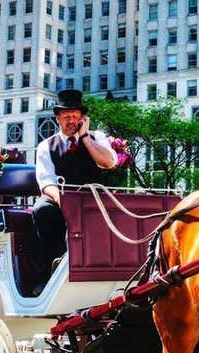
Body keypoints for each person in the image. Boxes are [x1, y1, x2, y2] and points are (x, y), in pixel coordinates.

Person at [34, 89, 117, 280]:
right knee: (41, 210)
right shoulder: (46, 146)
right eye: (66, 116)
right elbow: (46, 182)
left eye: (75, 116)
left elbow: (110, 162)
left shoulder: (97, 137)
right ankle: (46, 274)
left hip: (93, 197)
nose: (71, 121)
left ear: (82, 118)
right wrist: (63, 201)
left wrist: (86, 137)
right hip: (60, 198)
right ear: (57, 119)